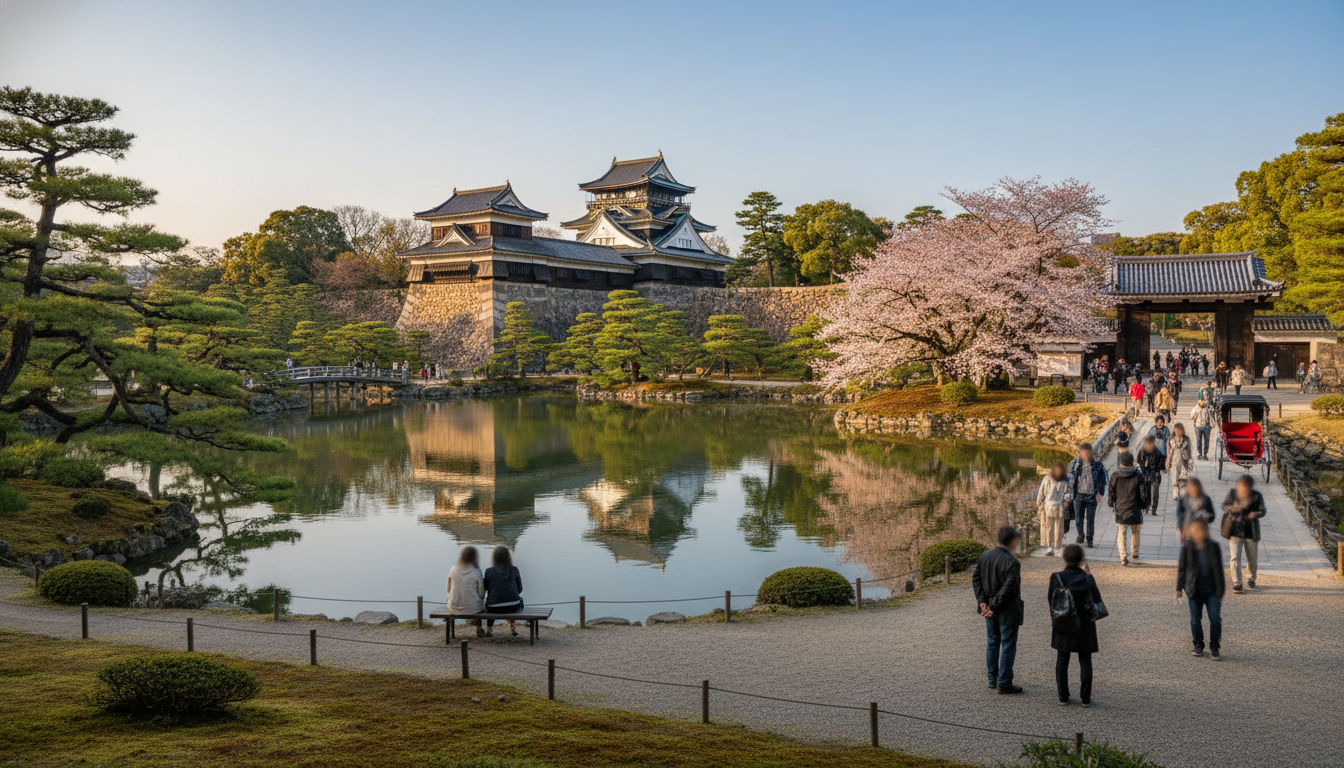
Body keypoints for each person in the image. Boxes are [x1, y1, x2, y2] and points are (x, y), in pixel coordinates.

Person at [971, 526, 1025, 694]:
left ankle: (992, 678)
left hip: (989, 609)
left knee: (993, 642)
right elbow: (1008, 589)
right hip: (1006, 610)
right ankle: (1004, 681)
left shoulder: (984, 556)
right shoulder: (1012, 562)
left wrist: (983, 603)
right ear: (1012, 541)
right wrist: (990, 605)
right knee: (1008, 645)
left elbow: (976, 579)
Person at [1049, 544, 1103, 707]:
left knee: (1062, 659)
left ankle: (1063, 696)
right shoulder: (1086, 579)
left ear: (1064, 558)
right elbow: (1097, 600)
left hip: (1063, 621)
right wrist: (1090, 576)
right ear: (1082, 559)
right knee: (1085, 660)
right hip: (1084, 624)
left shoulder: (1056, 577)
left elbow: (1050, 600)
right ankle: (1085, 698)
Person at [1177, 519, 1225, 659]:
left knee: (1215, 619)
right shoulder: (1187, 548)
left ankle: (1215, 647)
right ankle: (1198, 645)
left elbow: (1219, 570)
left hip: (1212, 590)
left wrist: (1221, 589)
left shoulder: (1214, 547)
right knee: (1194, 620)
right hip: (1194, 589)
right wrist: (1179, 588)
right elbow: (1182, 569)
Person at [1222, 475, 1266, 592]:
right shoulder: (1233, 494)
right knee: (1235, 557)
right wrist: (1233, 508)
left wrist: (1255, 514)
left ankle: (1251, 577)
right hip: (1235, 530)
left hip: (1251, 531)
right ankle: (1237, 582)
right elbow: (1224, 506)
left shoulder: (1257, 496)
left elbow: (1263, 511)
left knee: (1252, 558)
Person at [1107, 451, 1149, 565]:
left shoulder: (1115, 475)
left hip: (1121, 508)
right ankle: (1134, 553)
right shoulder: (1138, 475)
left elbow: (1111, 492)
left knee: (1122, 532)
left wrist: (1112, 503)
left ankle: (1123, 555)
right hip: (1134, 508)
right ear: (1132, 462)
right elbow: (1143, 492)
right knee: (1136, 531)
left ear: (1121, 462)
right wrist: (1145, 505)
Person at [1066, 443, 1106, 549]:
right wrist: (1067, 496)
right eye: (1083, 454)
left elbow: (1103, 479)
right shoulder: (1074, 463)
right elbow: (1068, 480)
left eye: (1087, 454)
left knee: (1090, 519)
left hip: (1092, 496)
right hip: (1078, 495)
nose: (1085, 456)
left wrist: (1101, 493)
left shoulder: (1097, 464)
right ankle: (1080, 535)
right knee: (1078, 518)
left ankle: (1090, 539)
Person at [482, 545, 525, 636]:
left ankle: (489, 630)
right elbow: (520, 590)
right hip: (513, 606)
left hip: (493, 607)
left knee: (492, 600)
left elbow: (485, 588)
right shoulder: (514, 569)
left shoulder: (489, 571)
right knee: (517, 600)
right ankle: (513, 626)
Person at [446, 545, 487, 638]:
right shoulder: (477, 571)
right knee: (477, 603)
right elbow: (481, 595)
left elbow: (448, 590)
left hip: (454, 608)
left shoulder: (453, 569)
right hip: (473, 609)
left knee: (452, 599)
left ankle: (452, 630)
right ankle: (478, 627)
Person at [1037, 462, 1069, 555]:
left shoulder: (1064, 480)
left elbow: (1068, 492)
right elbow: (1042, 493)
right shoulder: (1049, 479)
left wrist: (1066, 500)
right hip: (1050, 506)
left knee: (1056, 528)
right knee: (1050, 528)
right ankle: (1050, 547)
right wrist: (1041, 505)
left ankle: (1054, 546)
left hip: (1057, 506)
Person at [1136, 435, 1164, 516]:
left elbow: (1161, 463)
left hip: (1155, 475)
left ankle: (1154, 509)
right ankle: (1146, 506)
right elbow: (1138, 460)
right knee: (1146, 491)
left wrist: (1157, 468)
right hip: (1145, 475)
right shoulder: (1142, 451)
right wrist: (1143, 466)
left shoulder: (1157, 452)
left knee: (1155, 492)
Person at [1166, 423, 1195, 500]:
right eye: (1176, 430)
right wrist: (1168, 461)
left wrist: (1189, 460)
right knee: (1174, 477)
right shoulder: (1171, 439)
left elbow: (1189, 451)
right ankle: (1175, 494)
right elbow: (1168, 451)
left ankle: (1182, 493)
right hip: (1174, 460)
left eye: (1179, 430)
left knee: (1183, 477)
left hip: (1183, 460)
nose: (1177, 432)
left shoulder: (1186, 439)